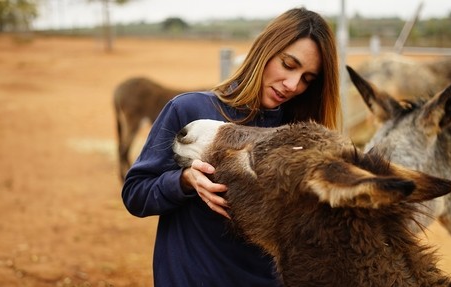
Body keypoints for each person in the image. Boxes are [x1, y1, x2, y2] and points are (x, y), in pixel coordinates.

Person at [122, 7, 341, 286]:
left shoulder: (300, 135)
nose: (292, 84)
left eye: (308, 79)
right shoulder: (189, 109)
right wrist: (184, 181)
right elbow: (135, 194)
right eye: (288, 64)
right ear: (265, 49)